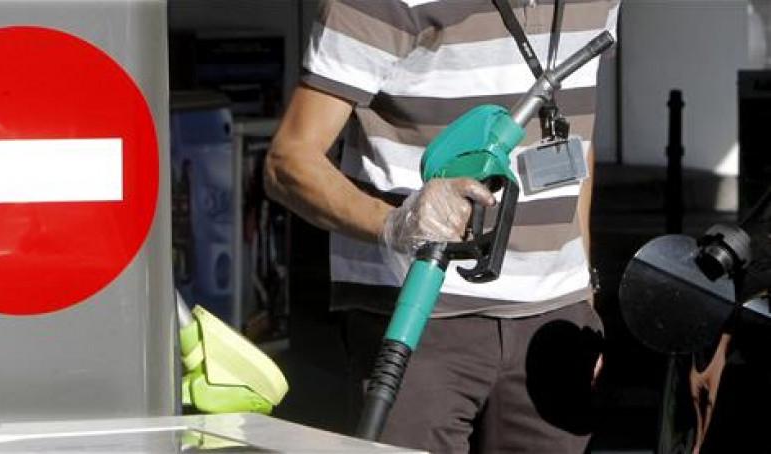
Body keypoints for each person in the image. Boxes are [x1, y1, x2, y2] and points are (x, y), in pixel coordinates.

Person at [265, 0, 620, 452]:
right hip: (417, 317)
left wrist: (583, 296)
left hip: (554, 320)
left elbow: (575, 140)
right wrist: (395, 223)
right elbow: (288, 161)